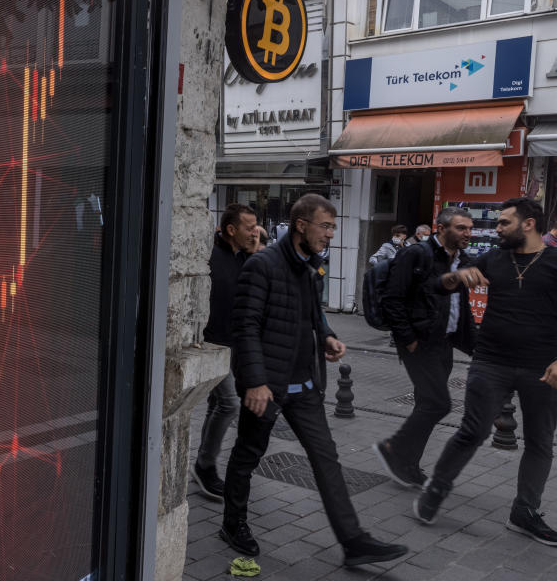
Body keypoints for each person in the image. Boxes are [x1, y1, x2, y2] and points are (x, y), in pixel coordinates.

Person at [220, 193, 408, 567]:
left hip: (304, 386)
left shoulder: (310, 266)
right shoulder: (262, 265)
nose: (331, 235)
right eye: (325, 226)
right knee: (247, 456)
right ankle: (233, 523)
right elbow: (245, 327)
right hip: (267, 387)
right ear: (301, 225)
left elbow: (312, 315)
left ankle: (353, 541)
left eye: (334, 227)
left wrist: (327, 336)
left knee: (327, 459)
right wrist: (256, 382)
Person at [414, 197, 557, 547]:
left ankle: (524, 512)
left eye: (504, 222)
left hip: (543, 369)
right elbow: (437, 285)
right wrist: (455, 276)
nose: (496, 229)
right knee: (471, 431)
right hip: (490, 362)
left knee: (540, 442)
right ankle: (435, 490)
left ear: (528, 224)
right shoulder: (493, 258)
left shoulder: (555, 262)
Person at [373, 207, 477, 488]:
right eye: (461, 228)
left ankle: (407, 464)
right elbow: (392, 299)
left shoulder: (462, 260)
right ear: (441, 229)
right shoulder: (417, 254)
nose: (468, 233)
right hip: (419, 342)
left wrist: (471, 340)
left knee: (426, 404)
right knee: (439, 403)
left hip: (445, 342)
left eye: (469, 228)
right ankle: (394, 448)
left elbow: (459, 305)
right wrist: (409, 339)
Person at [193, 204, 260, 500]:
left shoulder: (246, 257)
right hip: (211, 343)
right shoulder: (209, 256)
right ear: (231, 230)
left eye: (257, 226)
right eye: (249, 227)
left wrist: (256, 252)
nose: (255, 232)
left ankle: (204, 462)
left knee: (217, 404)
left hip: (235, 345)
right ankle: (205, 465)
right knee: (229, 404)